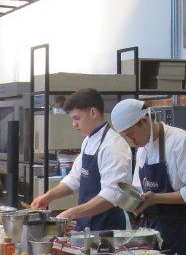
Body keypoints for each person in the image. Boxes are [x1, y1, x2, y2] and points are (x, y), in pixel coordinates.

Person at [109, 98, 186, 255]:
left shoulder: (183, 142)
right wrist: (134, 202)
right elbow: (139, 188)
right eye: (125, 138)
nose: (131, 142)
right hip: (151, 236)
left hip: (178, 235)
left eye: (131, 135)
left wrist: (156, 198)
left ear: (144, 120)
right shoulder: (143, 149)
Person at [30, 88, 131, 232]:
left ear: (93, 113)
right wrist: (47, 197)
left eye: (77, 118)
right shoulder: (88, 141)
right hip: (87, 226)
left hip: (109, 230)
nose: (74, 125)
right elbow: (74, 178)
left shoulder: (113, 146)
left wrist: (71, 213)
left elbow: (111, 195)